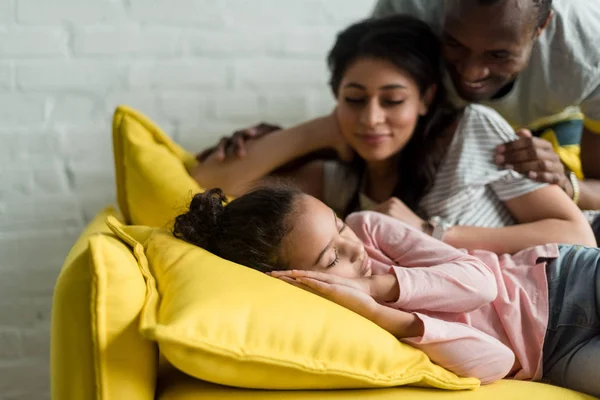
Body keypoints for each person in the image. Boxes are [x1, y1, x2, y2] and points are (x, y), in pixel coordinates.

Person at [192, 15, 595, 254]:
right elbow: (209, 186)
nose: (371, 118)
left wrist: (428, 231)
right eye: (355, 98)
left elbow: (575, 235)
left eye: (392, 101)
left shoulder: (473, 130)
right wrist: (324, 129)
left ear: (426, 99)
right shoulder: (339, 181)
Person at [173, 185, 600, 397]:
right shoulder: (354, 323)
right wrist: (382, 315)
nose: (353, 247)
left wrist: (375, 286)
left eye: (338, 224)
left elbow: (480, 282)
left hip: (560, 279)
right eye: (331, 259)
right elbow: (500, 359)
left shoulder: (369, 228)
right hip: (552, 355)